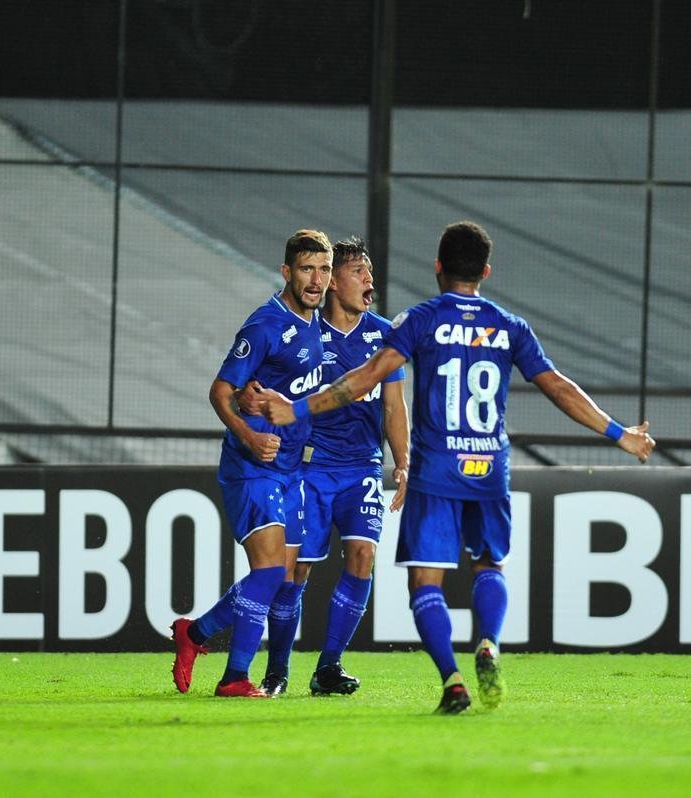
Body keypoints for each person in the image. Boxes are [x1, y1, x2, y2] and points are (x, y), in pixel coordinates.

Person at [263, 221, 656, 714]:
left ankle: (451, 678)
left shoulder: (417, 321)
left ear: (437, 268)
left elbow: (365, 379)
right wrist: (620, 433)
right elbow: (557, 385)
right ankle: (488, 642)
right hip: (490, 466)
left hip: (437, 468)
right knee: (489, 565)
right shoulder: (510, 325)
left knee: (426, 582)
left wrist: (296, 409)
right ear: (486, 271)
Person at [170, 229, 332, 698]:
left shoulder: (316, 323)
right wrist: (248, 432)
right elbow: (220, 392)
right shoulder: (264, 326)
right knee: (268, 573)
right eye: (307, 269)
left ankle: (195, 635)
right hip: (252, 467)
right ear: (287, 272)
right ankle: (235, 677)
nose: (316, 279)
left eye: (322, 270)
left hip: (293, 470)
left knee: (282, 579)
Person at [249, 236, 411, 697]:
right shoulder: (305, 334)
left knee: (363, 555)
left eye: (370, 273)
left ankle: (328, 668)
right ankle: (276, 672)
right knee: (292, 572)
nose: (369, 281)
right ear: (334, 281)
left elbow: (395, 407)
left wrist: (403, 462)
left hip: (362, 466)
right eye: (359, 272)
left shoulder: (384, 336)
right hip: (309, 469)